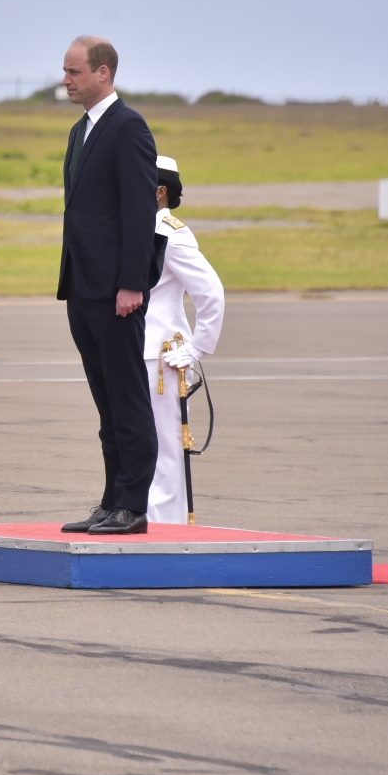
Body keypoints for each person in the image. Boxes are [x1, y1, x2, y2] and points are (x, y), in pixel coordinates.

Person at [56, 37, 159, 536]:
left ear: (103, 73)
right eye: (65, 71)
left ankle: (133, 506)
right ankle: (111, 498)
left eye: (75, 72)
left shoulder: (128, 127)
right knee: (105, 401)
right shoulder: (81, 131)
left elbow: (140, 212)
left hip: (116, 292)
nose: (67, 80)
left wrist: (131, 285)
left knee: (127, 397)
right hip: (83, 286)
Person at [145, 155, 224, 524]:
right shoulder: (135, 228)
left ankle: (166, 527)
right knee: (138, 445)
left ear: (160, 191)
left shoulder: (171, 233)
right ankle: (139, 518)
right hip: (134, 350)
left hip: (163, 356)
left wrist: (196, 348)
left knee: (166, 446)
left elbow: (210, 292)